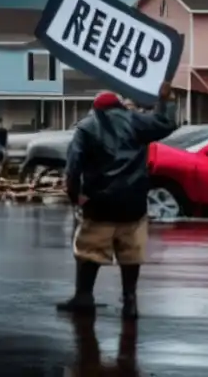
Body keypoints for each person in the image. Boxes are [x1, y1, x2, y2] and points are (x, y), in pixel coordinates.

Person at [58, 82, 177, 319]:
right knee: (131, 253)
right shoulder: (136, 121)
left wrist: (75, 196)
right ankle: (130, 301)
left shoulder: (86, 128)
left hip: (99, 203)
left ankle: (84, 296)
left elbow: (73, 168)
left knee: (89, 251)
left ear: (95, 108)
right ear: (119, 105)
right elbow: (166, 124)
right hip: (133, 202)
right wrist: (166, 101)